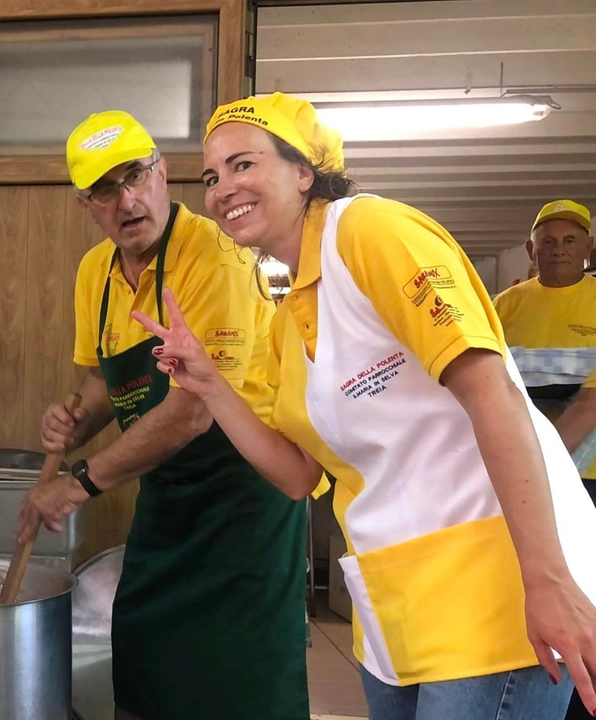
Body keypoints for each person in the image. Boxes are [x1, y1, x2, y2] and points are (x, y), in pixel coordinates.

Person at [134, 92, 596, 720]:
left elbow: (493, 392)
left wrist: (547, 579)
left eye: (243, 164)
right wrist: (211, 385)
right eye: (212, 176)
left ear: (305, 172)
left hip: (497, 587)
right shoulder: (285, 322)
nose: (220, 189)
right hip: (394, 605)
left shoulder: (370, 232)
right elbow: (297, 474)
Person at [14, 110, 315, 720]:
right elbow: (101, 379)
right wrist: (77, 418)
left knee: (240, 678)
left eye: (136, 175)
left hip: (247, 498)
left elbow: (191, 413)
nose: (126, 200)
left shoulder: (217, 258)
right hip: (170, 494)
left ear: (163, 172)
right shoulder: (94, 273)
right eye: (105, 189)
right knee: (144, 656)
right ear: (86, 204)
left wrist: (80, 483)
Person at [493, 199, 596, 720]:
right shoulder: (506, 306)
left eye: (570, 241)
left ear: (589, 248)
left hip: (588, 482)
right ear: (531, 252)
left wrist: (539, 467)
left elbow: (592, 402)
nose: (558, 251)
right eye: (548, 242)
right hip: (529, 478)